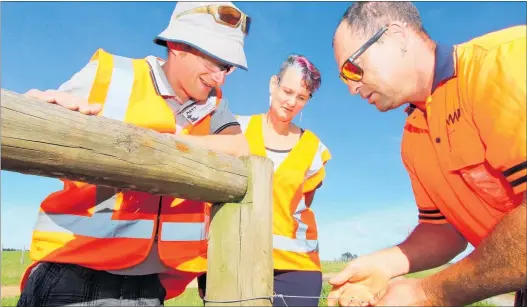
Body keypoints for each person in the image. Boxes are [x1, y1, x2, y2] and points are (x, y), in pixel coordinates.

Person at [17, 2, 252, 306]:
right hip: (76, 274)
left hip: (150, 288)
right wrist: (37, 115)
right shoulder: (112, 74)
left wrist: (155, 146)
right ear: (178, 45)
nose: (219, 77)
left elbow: (241, 151)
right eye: (212, 60)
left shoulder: (215, 106)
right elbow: (37, 128)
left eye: (226, 66)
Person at [329, 2, 526, 307]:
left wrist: (427, 293)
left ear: (396, 37)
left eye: (352, 68)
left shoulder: (503, 64)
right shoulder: (413, 140)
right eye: (345, 78)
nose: (352, 89)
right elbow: (444, 230)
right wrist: (384, 264)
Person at [196, 54, 331, 307]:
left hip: (297, 268)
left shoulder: (315, 148)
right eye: (287, 91)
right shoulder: (236, 130)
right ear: (273, 84)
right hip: (235, 260)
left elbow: (300, 206)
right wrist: (208, 261)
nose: (291, 102)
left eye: (301, 97)